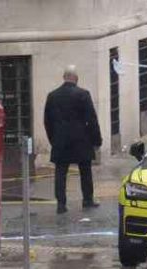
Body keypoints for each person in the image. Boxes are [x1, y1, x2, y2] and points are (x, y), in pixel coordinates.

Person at [44, 65, 103, 215]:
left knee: (60, 172)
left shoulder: (52, 96)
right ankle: (87, 199)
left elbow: (47, 121)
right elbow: (92, 119)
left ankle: (61, 203)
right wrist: (96, 140)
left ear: (64, 77)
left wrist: (53, 139)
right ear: (76, 78)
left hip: (60, 139)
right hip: (81, 139)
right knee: (85, 170)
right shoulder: (83, 94)